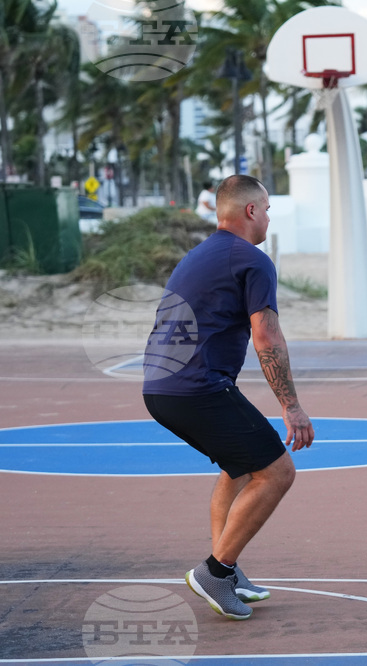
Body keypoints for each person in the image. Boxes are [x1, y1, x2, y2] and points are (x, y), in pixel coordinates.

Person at [143, 174, 314, 620]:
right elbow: (267, 336)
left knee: (240, 467)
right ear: (251, 211)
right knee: (277, 471)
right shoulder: (252, 260)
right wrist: (291, 407)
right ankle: (216, 571)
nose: (270, 217)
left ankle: (228, 571)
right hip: (197, 388)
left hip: (163, 388)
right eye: (268, 208)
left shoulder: (200, 254)